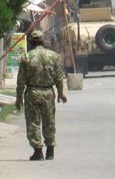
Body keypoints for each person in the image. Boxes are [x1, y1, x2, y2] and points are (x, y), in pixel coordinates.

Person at [15, 30, 68, 161]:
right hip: (49, 92)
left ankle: (38, 152)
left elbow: (21, 80)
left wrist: (18, 97)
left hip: (32, 93)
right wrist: (61, 93)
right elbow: (59, 78)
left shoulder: (27, 57)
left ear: (31, 42)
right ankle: (50, 151)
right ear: (43, 41)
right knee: (49, 121)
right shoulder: (53, 56)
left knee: (33, 122)